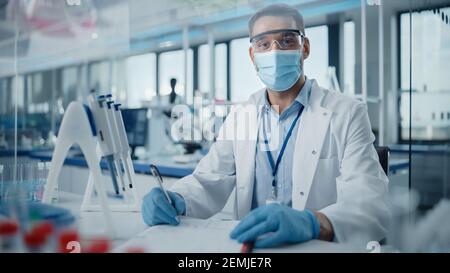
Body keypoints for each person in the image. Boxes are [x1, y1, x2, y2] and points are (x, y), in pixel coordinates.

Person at [142, 3, 389, 248]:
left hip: (314, 245)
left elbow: (369, 203)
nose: (274, 51)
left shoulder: (347, 113)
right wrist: (177, 198)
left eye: (286, 41)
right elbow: (209, 178)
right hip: (253, 249)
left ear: (305, 47)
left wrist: (313, 222)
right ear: (253, 55)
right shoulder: (241, 116)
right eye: (263, 44)